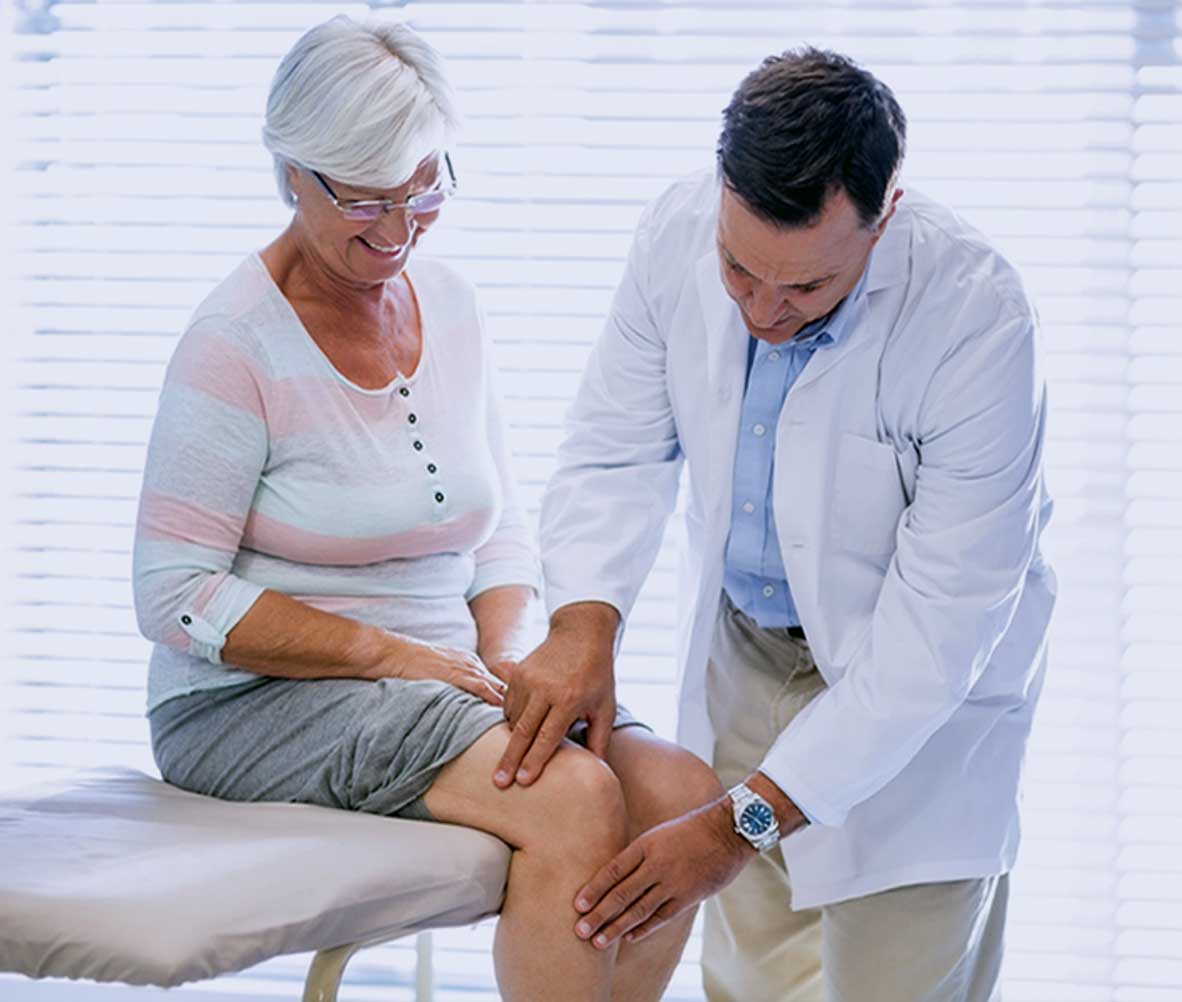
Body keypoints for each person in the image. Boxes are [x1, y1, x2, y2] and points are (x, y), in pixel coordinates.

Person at [131, 16, 721, 1002]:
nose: (400, 232)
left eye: (425, 190)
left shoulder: (449, 305)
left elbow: (496, 527)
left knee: (677, 795)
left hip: (446, 681)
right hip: (247, 704)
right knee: (573, 797)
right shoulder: (234, 343)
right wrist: (398, 656)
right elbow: (174, 594)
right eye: (367, 203)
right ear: (291, 173)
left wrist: (510, 655)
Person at [495, 48, 1057, 1002]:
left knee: (896, 982)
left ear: (885, 218)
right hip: (745, 652)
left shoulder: (977, 321)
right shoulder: (675, 233)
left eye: (805, 291)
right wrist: (583, 622)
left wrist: (727, 831)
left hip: (916, 708)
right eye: (739, 270)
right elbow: (614, 450)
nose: (762, 312)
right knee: (751, 983)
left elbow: (933, 641)